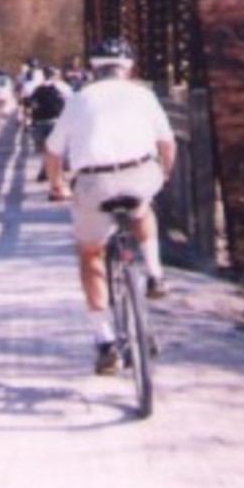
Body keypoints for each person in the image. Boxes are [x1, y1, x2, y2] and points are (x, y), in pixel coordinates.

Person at [42, 37, 175, 375]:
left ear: (92, 69)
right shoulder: (143, 94)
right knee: (143, 207)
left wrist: (57, 185)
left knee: (90, 253)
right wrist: (164, 172)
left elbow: (53, 152)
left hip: (94, 182)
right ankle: (155, 274)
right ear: (129, 68)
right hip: (141, 174)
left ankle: (105, 342)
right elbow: (167, 143)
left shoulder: (79, 98)